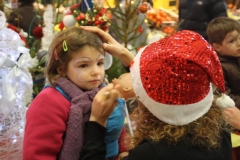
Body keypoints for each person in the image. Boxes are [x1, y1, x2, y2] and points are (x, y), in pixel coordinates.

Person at [79, 26, 234, 160]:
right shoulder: (220, 132)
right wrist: (127, 56)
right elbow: (171, 81)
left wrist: (97, 123)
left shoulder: (152, 153)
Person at [22, 26, 134, 160]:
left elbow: (117, 127)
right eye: (83, 65)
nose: (96, 72)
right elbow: (38, 155)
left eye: (100, 63)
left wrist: (123, 150)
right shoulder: (48, 102)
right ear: (61, 69)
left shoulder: (102, 90)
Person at [207, 17, 240, 109]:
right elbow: (226, 98)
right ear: (217, 47)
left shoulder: (236, 56)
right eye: (232, 41)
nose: (239, 43)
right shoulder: (219, 68)